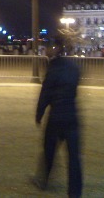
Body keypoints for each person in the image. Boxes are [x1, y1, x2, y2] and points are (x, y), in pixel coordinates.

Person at [34, 44, 83, 197]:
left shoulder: (53, 69)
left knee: (49, 149)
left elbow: (45, 94)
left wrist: (39, 113)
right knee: (74, 157)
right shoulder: (74, 68)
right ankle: (75, 192)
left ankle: (43, 180)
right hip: (72, 115)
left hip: (56, 115)